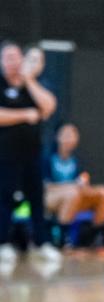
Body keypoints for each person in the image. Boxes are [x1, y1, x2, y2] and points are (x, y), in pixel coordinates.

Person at [0, 43, 59, 270]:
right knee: (4, 200)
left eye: (15, 57)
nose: (12, 62)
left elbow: (48, 107)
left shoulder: (35, 85)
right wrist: (25, 114)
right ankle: (3, 243)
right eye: (7, 58)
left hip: (33, 155)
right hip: (5, 157)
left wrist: (29, 81)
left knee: (36, 199)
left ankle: (42, 243)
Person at [44, 123, 104, 250]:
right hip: (51, 199)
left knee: (103, 192)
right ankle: (63, 239)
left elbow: (83, 181)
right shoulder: (47, 158)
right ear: (57, 137)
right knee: (72, 192)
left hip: (75, 197)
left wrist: (83, 185)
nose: (69, 138)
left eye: (73, 135)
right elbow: (45, 186)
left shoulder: (77, 161)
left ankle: (93, 238)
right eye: (66, 135)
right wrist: (71, 186)